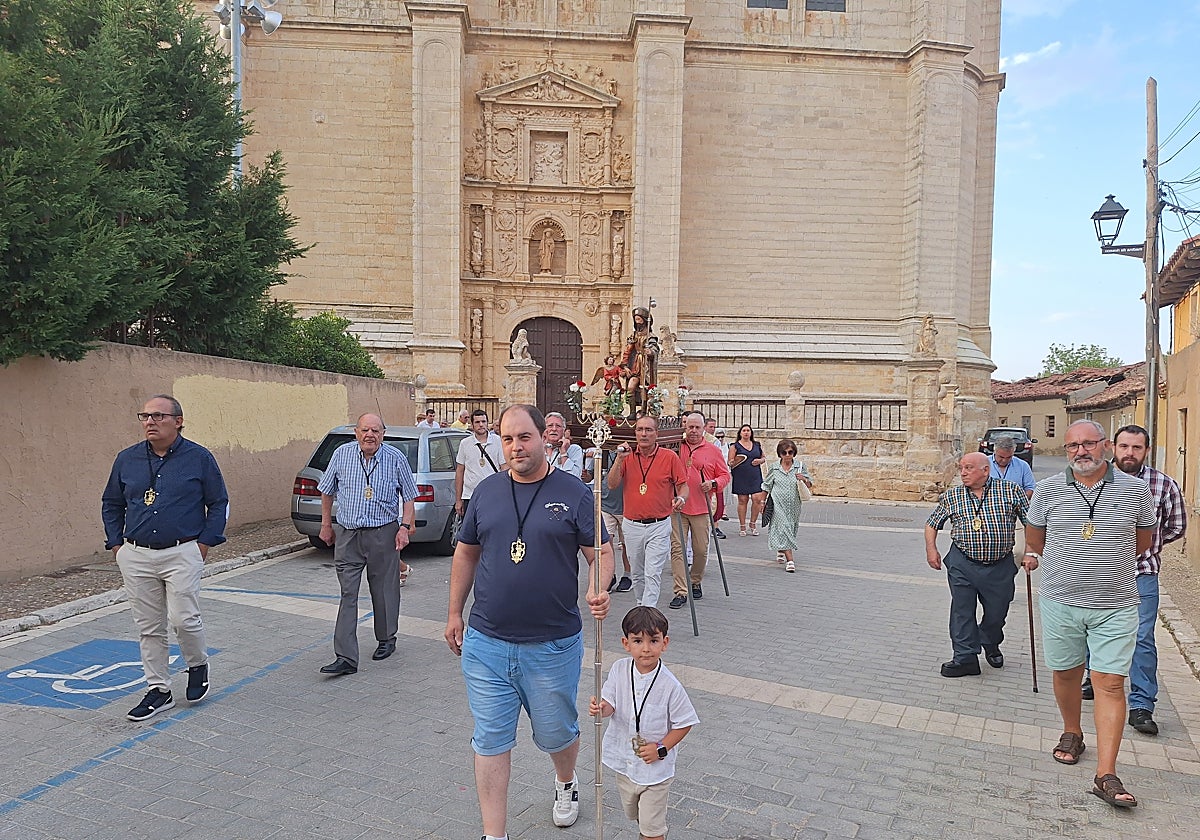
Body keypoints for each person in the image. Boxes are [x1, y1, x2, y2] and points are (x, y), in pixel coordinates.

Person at [444, 404, 614, 840]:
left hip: (552, 645)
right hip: (487, 644)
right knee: (490, 740)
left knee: (557, 734)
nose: (516, 447)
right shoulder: (487, 492)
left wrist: (598, 587)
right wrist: (453, 612)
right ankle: (493, 835)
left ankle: (565, 781)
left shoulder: (574, 492)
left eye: (524, 437)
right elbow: (466, 552)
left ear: (544, 438)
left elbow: (602, 552)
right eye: (507, 439)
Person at [1024, 420, 1156, 808]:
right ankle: (1071, 731)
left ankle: (1106, 773)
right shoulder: (1047, 490)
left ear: (1106, 446)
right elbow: (1036, 538)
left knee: (1112, 684)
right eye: (1072, 446)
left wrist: (1104, 566)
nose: (1080, 451)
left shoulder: (1136, 490)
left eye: (1088, 444)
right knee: (1065, 673)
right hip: (1061, 600)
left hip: (1115, 604)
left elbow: (1143, 540)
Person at [101, 395, 229, 722]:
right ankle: (159, 690)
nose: (150, 421)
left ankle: (197, 665)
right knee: (149, 627)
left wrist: (203, 545)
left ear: (178, 420)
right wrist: (118, 547)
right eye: (145, 415)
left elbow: (218, 503)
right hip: (136, 554)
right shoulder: (127, 459)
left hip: (182, 551)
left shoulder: (199, 458)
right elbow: (111, 504)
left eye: (158, 415)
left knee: (184, 619)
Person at [1078, 425, 1185, 735]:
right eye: (1124, 446)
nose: (1129, 453)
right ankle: (1093, 678)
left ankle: (1141, 706)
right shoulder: (1092, 481)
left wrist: (1148, 545)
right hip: (1098, 573)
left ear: (1146, 451)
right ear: (1113, 447)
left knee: (1141, 640)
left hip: (1141, 576)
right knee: (1092, 630)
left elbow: (1177, 526)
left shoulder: (1163, 485)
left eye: (1136, 448)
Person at [317, 413, 418, 676]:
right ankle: (346, 657)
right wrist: (326, 525)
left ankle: (386, 639)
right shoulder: (342, 454)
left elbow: (409, 497)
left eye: (375, 430)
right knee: (348, 593)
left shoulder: (395, 458)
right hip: (348, 534)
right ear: (356, 432)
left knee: (384, 590)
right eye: (365, 430)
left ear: (383, 434)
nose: (369, 435)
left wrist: (404, 528)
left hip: (383, 532)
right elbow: (326, 490)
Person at [589, 606, 699, 840]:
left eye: (653, 640)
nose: (646, 649)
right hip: (625, 763)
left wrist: (661, 748)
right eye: (638, 641)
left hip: (656, 771)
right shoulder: (620, 669)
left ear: (665, 643)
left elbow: (684, 723)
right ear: (626, 643)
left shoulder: (670, 685)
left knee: (651, 829)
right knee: (637, 815)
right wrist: (601, 708)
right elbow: (610, 703)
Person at [924, 452, 1029, 677]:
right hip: (963, 563)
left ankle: (990, 642)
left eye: (969, 468)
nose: (963, 472)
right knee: (962, 610)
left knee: (997, 612)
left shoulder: (1010, 491)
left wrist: (1031, 553)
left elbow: (1032, 523)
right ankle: (965, 657)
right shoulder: (952, 496)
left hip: (999, 565)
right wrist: (931, 549)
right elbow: (932, 523)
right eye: (961, 468)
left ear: (985, 470)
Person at [609, 415, 687, 607]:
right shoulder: (626, 457)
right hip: (632, 524)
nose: (643, 434)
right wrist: (619, 460)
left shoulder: (669, 457)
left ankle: (648, 610)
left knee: (653, 572)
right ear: (635, 433)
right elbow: (611, 484)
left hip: (659, 525)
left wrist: (681, 498)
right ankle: (640, 605)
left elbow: (683, 485)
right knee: (637, 572)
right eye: (640, 430)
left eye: (648, 430)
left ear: (656, 434)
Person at [667, 412, 731, 609]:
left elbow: (724, 475)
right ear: (685, 428)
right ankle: (680, 590)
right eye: (690, 427)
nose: (693, 431)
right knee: (677, 549)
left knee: (701, 550)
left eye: (697, 427)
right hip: (677, 507)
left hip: (701, 507)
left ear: (703, 429)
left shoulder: (713, 450)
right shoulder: (675, 447)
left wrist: (713, 483)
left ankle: (695, 580)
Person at [762, 439, 813, 573]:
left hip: (794, 505)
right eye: (784, 452)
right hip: (777, 503)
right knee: (783, 526)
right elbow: (766, 485)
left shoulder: (800, 466)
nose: (787, 455)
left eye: (790, 452)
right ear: (780, 454)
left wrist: (804, 479)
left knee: (790, 528)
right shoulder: (774, 467)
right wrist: (762, 502)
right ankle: (790, 561)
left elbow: (809, 484)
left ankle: (781, 549)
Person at [456, 409, 506, 526]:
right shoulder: (465, 443)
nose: (481, 425)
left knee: (493, 528)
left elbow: (504, 468)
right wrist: (458, 500)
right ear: (472, 425)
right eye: (477, 422)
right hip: (470, 495)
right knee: (470, 532)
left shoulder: (498, 441)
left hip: (493, 495)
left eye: (483, 421)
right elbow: (460, 471)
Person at [619, 306, 659, 417]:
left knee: (645, 390)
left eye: (639, 320)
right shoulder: (634, 335)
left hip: (646, 366)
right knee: (631, 387)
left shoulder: (650, 336)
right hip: (635, 365)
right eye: (636, 320)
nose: (638, 323)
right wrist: (625, 366)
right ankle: (632, 412)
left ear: (645, 320)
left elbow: (655, 349)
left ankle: (644, 412)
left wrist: (650, 352)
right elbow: (627, 351)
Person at [728, 424, 766, 536]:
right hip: (741, 475)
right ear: (740, 433)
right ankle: (742, 526)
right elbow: (730, 461)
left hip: (755, 475)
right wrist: (733, 462)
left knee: (757, 498)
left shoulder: (757, 445)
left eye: (748, 430)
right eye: (744, 430)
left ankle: (753, 524)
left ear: (751, 432)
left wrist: (760, 461)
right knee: (743, 500)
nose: (746, 432)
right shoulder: (734, 446)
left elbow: (763, 458)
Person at [703, 419, 727, 538]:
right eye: (711, 427)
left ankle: (715, 527)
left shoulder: (714, 442)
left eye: (714, 427)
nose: (713, 429)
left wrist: (714, 482)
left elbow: (723, 471)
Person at [544, 412, 584, 478]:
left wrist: (563, 453)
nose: (554, 429)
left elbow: (574, 477)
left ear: (563, 430)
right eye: (550, 425)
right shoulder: (538, 450)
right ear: (544, 429)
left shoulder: (574, 449)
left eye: (558, 426)